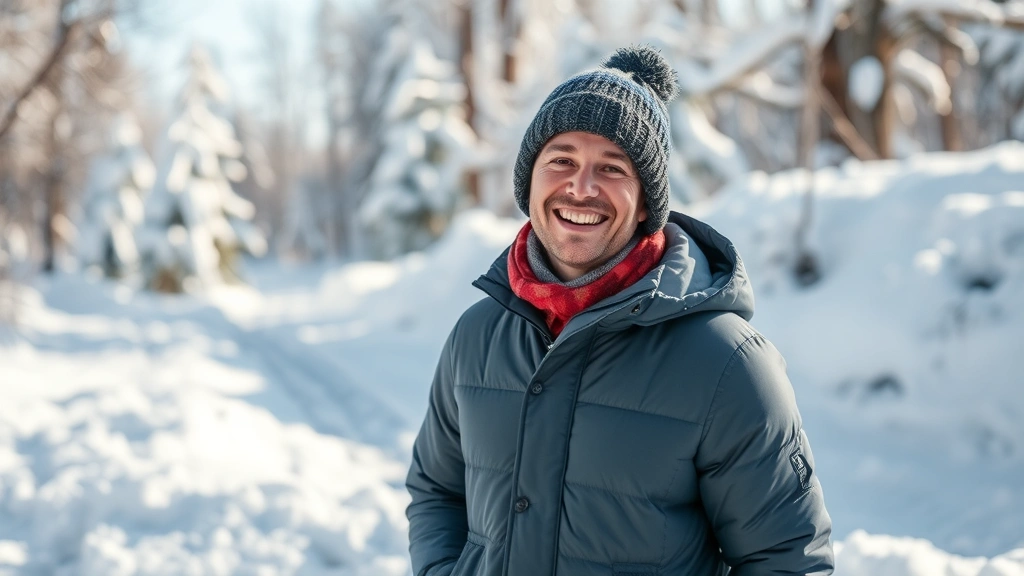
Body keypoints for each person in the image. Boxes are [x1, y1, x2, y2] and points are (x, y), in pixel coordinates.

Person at [405, 45, 833, 576]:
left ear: (647, 202)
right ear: (529, 179)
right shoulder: (478, 335)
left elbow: (788, 560)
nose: (581, 188)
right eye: (561, 159)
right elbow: (436, 490)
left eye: (612, 168)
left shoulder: (727, 363)